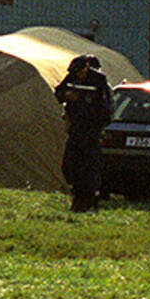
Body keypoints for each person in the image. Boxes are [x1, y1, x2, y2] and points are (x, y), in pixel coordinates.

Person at [55, 53, 112, 212]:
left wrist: (98, 126)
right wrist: (66, 95)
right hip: (75, 129)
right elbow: (58, 93)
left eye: (81, 71)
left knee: (88, 167)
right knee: (70, 165)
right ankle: (77, 194)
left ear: (87, 67)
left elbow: (105, 107)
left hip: (91, 130)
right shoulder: (71, 78)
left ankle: (87, 200)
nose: (79, 75)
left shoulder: (98, 80)